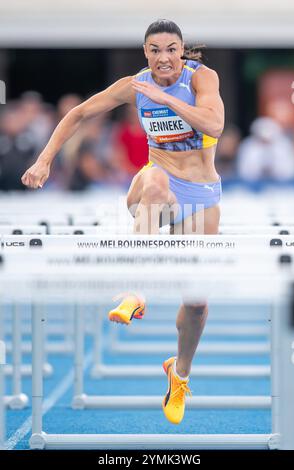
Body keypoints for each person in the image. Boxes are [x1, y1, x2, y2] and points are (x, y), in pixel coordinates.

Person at [21, 19, 224, 425]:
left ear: (182, 51)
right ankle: (134, 290)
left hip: (201, 194)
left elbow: (214, 124)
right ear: (145, 53)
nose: (163, 57)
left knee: (197, 303)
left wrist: (169, 102)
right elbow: (78, 113)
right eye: (154, 50)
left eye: (171, 49)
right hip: (157, 183)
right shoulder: (134, 85)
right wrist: (44, 159)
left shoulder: (203, 79)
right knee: (154, 183)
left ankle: (179, 373)